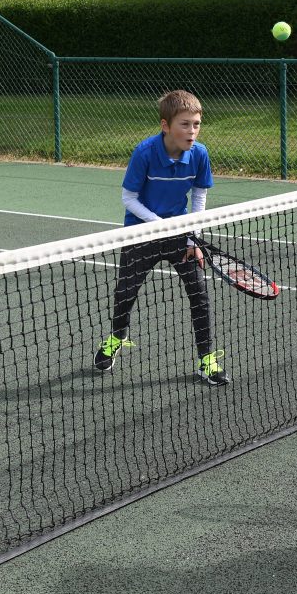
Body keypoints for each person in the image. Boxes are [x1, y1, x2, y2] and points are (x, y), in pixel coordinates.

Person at [93, 89, 228, 386]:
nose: (192, 131)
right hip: (141, 232)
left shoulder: (200, 154)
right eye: (185, 124)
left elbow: (199, 198)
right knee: (125, 295)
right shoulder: (144, 153)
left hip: (180, 234)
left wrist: (194, 238)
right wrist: (158, 224)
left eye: (196, 124)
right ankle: (117, 337)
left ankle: (206, 360)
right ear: (165, 126)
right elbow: (129, 198)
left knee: (199, 296)